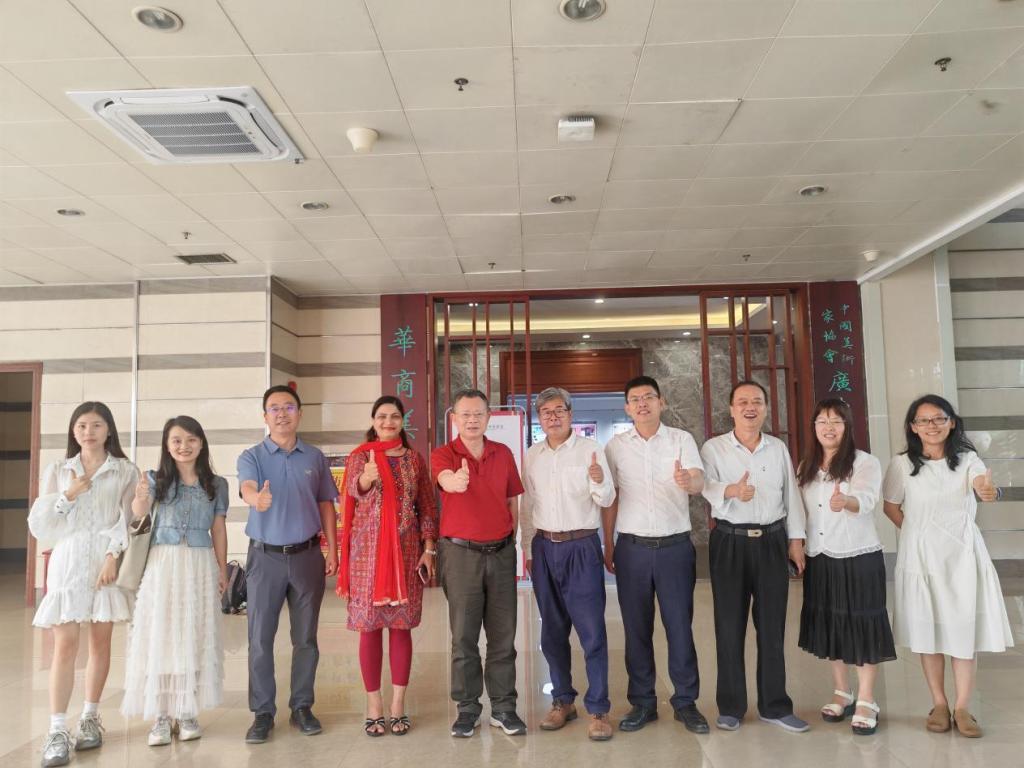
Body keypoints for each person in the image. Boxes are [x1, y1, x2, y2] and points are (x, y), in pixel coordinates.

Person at [882, 394, 1011, 738]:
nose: (932, 426)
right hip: (921, 559)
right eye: (923, 420)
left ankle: (963, 706)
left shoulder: (968, 460)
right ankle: (939, 704)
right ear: (913, 427)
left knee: (963, 630)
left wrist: (988, 491)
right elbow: (891, 505)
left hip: (962, 557)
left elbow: (983, 486)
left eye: (939, 418)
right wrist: (916, 533)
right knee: (928, 632)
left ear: (952, 422)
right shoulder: (901, 464)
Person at [28, 402, 139, 767]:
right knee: (64, 647)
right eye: (81, 426)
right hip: (68, 563)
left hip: (105, 565)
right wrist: (68, 495)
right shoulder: (59, 470)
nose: (88, 432)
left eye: (96, 425)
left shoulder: (125, 470)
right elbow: (42, 526)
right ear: (73, 431)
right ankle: (57, 729)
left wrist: (113, 555)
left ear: (109, 430)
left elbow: (128, 519)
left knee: (100, 644)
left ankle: (90, 716)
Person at [700, 380, 808, 733]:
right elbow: (705, 487)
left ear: (765, 408)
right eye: (743, 402)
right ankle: (731, 706)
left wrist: (796, 540)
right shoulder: (714, 448)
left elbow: (791, 495)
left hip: (772, 542)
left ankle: (774, 706)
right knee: (729, 626)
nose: (750, 407)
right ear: (731, 409)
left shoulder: (777, 448)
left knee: (772, 626)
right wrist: (732, 491)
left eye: (757, 401)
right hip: (729, 541)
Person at [604, 376, 709, 735]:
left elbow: (698, 480)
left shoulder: (681, 439)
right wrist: (608, 544)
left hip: (674, 548)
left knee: (679, 627)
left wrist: (689, 482)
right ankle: (643, 703)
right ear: (627, 408)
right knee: (636, 629)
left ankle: (686, 702)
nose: (642, 403)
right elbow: (610, 497)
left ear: (661, 402)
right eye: (635, 399)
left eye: (649, 397)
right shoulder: (616, 447)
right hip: (631, 548)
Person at [237, 385, 339, 744]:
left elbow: (326, 504)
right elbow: (247, 487)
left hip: (307, 555)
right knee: (260, 638)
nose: (282, 414)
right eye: (274, 408)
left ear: (300, 413)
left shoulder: (314, 457)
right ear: (265, 416)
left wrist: (333, 549)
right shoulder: (252, 456)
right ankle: (263, 712)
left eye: (289, 407)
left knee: (306, 637)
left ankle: (301, 706)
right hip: (265, 558)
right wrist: (256, 499)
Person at [122, 416, 229, 746]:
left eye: (191, 439)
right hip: (163, 564)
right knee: (162, 635)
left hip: (199, 563)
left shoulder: (217, 484)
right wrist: (141, 496)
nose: (184, 446)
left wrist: (223, 569)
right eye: (177, 440)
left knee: (193, 634)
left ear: (202, 443)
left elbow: (218, 529)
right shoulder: (155, 479)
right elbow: (139, 513)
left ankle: (187, 711)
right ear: (167, 446)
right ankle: (161, 714)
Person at [338, 396, 438, 737]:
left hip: (407, 554)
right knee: (368, 629)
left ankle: (398, 705)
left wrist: (429, 549)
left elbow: (427, 505)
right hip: (366, 557)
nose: (388, 422)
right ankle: (374, 706)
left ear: (402, 421)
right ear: (373, 420)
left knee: (401, 627)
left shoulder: (414, 459)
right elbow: (353, 494)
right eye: (381, 416)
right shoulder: (359, 457)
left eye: (395, 416)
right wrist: (366, 478)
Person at [521, 387, 616, 741]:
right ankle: (562, 700)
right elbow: (527, 506)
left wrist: (599, 480)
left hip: (581, 547)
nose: (553, 417)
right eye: (546, 412)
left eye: (559, 410)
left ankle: (599, 709)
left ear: (570, 414)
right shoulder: (532, 455)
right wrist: (528, 549)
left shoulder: (591, 450)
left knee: (592, 632)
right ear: (539, 418)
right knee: (551, 631)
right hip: (545, 547)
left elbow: (607, 498)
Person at [796, 398, 895, 736]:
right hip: (820, 555)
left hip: (858, 555)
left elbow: (867, 499)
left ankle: (867, 699)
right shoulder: (807, 465)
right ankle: (842, 691)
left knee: (863, 624)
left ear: (847, 426)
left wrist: (847, 501)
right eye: (822, 421)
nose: (828, 427)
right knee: (832, 624)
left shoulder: (864, 462)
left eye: (836, 421)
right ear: (814, 427)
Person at [431, 388, 526, 738]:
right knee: (464, 637)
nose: (472, 420)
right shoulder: (443, 454)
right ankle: (468, 708)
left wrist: (511, 540)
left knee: (503, 635)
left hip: (501, 553)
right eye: (465, 414)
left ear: (488, 417)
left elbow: (513, 499)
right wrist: (454, 481)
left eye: (478, 414)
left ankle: (503, 707)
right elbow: (444, 479)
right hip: (461, 556)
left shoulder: (503, 453)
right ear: (455, 418)